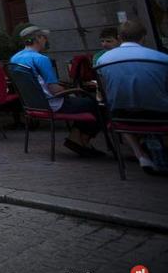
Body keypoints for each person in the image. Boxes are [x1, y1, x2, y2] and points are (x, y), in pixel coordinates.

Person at [11, 25, 103, 158]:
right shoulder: (41, 59)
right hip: (52, 104)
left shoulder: (14, 59)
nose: (46, 41)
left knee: (83, 102)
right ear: (38, 38)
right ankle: (80, 139)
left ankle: (77, 138)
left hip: (32, 105)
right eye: (44, 38)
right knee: (94, 104)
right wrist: (69, 90)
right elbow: (54, 89)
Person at [96, 20, 168, 175]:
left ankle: (140, 154)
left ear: (120, 37)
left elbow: (105, 89)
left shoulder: (103, 60)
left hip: (121, 114)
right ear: (143, 37)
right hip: (160, 114)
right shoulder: (161, 58)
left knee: (120, 113)